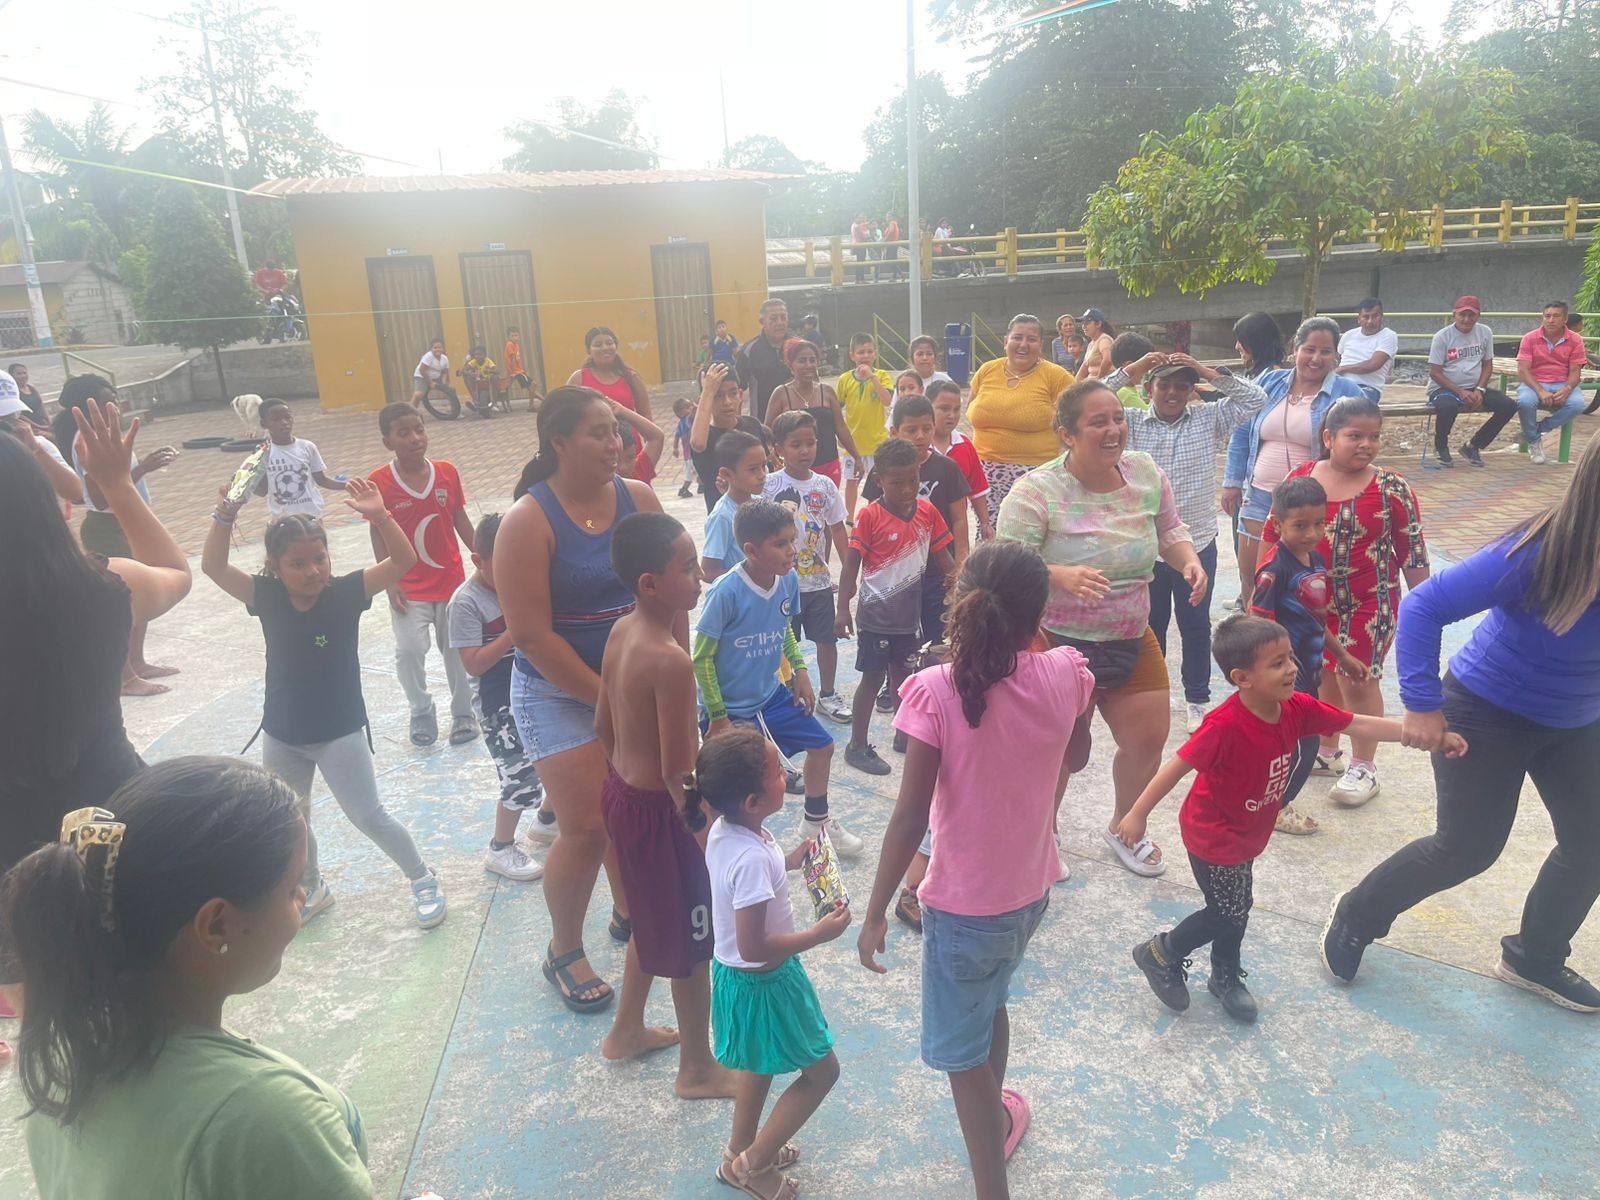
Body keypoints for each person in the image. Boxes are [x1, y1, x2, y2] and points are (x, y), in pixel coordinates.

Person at [6, 757, 376, 1199]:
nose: (302, 899)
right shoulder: (261, 1119)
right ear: (216, 924)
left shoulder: (61, 1053)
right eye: (292, 887)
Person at [1322, 434, 1600, 1012]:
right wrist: (1422, 703)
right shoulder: (1540, 550)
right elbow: (1424, 605)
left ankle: (1535, 957)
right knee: (1468, 847)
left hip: (1575, 718)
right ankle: (1357, 914)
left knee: (1592, 842)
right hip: (1488, 711)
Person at [857, 543, 1095, 1200]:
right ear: (1038, 616)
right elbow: (1077, 756)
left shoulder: (937, 689)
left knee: (962, 1058)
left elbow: (909, 818)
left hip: (964, 909)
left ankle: (992, 1185)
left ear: (960, 604)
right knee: (991, 1005)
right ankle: (996, 1119)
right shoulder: (1068, 672)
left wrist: (875, 913)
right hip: (1030, 892)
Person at [1120, 615, 1460, 1024]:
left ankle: (1224, 975)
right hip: (1214, 836)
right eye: (1277, 663)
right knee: (1227, 910)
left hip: (1248, 833)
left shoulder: (1296, 708)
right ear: (1242, 678)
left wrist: (1422, 735)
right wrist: (1137, 813)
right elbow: (1177, 766)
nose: (1291, 669)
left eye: (1290, 658)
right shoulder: (1224, 725)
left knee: (1237, 906)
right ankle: (1161, 952)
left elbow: (1356, 723)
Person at [496, 387, 670, 1018]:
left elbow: (668, 594)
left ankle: (627, 908)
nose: (614, 443)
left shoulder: (639, 500)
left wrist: (667, 678)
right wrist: (610, 700)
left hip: (631, 685)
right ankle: (563, 948)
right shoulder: (528, 521)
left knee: (638, 806)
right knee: (589, 826)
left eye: (615, 431)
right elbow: (532, 637)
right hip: (556, 693)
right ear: (559, 444)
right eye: (598, 433)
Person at [204, 476, 445, 928]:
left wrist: (381, 516)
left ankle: (421, 877)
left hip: (339, 732)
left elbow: (404, 560)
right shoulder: (265, 595)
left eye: (320, 558)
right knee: (292, 820)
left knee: (367, 814)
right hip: (283, 733)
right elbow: (213, 567)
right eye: (297, 563)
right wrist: (225, 515)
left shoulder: (346, 592)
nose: (313, 570)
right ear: (275, 567)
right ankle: (313, 888)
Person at [0, 395, 191, 956]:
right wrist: (117, 484)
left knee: (28, 977)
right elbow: (176, 572)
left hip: (11, 857)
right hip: (114, 820)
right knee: (129, 961)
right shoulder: (105, 587)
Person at [998, 380, 1206, 879]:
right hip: (1054, 639)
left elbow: (1169, 529)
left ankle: (1124, 827)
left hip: (1131, 631)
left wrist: (1188, 559)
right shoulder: (1036, 491)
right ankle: (1041, 836)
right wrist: (1059, 575)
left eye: (1118, 418)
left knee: (1148, 739)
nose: (1113, 430)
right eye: (1098, 422)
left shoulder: (1145, 473)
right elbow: (1005, 562)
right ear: (1067, 434)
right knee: (1055, 751)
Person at [596, 512, 739, 1097]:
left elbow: (602, 726)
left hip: (621, 796)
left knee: (651, 917)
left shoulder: (621, 631)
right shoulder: (671, 660)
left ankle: (626, 1030)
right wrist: (710, 839)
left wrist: (625, 784)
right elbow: (678, 774)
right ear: (650, 583)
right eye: (687, 568)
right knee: (691, 944)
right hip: (661, 815)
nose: (699, 576)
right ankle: (697, 1069)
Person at [690, 728, 845, 1200]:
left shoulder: (726, 830)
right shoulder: (751, 859)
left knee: (759, 1064)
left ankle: (738, 1149)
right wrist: (818, 935)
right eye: (779, 772)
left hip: (738, 980)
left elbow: (749, 877)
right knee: (823, 1073)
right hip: (767, 981)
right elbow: (755, 945)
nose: (788, 776)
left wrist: (792, 860)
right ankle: (752, 1165)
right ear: (753, 801)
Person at [1261, 395, 1429, 807]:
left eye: (1374, 437)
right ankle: (1328, 749)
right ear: (1328, 438)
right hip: (1311, 605)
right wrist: (1264, 591)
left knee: (1358, 679)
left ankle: (1364, 766)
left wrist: (1426, 607)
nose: (1366, 445)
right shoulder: (1301, 478)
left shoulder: (1392, 488)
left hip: (1370, 603)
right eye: (1355, 436)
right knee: (1321, 674)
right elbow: (1271, 535)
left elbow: (1412, 552)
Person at [1102, 352, 1267, 731]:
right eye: (1164, 385)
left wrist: (1204, 370)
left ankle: (1197, 699)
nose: (1172, 393)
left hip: (1197, 542)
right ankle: (1152, 694)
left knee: (1195, 625)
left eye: (1181, 385)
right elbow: (1090, 395)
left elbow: (1256, 399)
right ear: (1149, 388)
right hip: (1146, 545)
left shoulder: (1209, 419)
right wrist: (1136, 366)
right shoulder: (1130, 423)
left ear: (1193, 390)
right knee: (1150, 625)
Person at [694, 499, 856, 858]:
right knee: (730, 791)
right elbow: (701, 657)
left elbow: (783, 628)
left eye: (792, 540)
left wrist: (800, 670)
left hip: (770, 697)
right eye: (780, 543)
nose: (792, 550)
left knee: (823, 746)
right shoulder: (725, 591)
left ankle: (815, 822)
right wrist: (718, 716)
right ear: (751, 550)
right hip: (729, 709)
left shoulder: (788, 580)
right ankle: (714, 851)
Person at [1249, 477, 1368, 836]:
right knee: (1306, 743)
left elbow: (1315, 619)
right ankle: (1276, 808)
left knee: (1291, 744)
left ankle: (1265, 801)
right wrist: (1273, 672)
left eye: (1319, 523)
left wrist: (1342, 656)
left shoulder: (1314, 559)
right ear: (1278, 524)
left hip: (1310, 668)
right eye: (1300, 525)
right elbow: (1258, 625)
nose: (1312, 533)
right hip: (1286, 676)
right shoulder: (1275, 570)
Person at [1223, 316, 1365, 609]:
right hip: (1259, 495)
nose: (1316, 358)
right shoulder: (1269, 382)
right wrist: (1232, 483)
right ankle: (1256, 631)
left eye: (1325, 351)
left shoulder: (1348, 393)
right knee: (1252, 575)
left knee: (1306, 578)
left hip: (1311, 502)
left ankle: (1301, 631)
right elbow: (1241, 433)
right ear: (1295, 349)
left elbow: (1361, 444)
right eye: (1309, 349)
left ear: (1336, 355)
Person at [52, 374, 180, 696]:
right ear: (89, 407)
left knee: (141, 595)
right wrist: (143, 468)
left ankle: (137, 662)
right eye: (108, 400)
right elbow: (98, 498)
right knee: (122, 604)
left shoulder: (105, 436)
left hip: (124, 523)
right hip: (108, 527)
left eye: (115, 398)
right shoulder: (87, 441)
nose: (117, 405)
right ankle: (124, 677)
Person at [838, 437, 956, 776]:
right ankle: (857, 745)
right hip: (876, 617)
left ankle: (905, 735)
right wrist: (842, 609)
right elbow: (851, 563)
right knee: (873, 677)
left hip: (909, 618)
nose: (906, 489)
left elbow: (945, 560)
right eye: (897, 482)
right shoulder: (869, 516)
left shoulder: (928, 512)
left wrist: (961, 592)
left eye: (913, 480)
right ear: (879, 481)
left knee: (905, 677)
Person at [447, 512, 552, 882]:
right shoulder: (466, 602)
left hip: (535, 686)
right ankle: (500, 848)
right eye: (504, 562)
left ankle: (548, 820)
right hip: (498, 703)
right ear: (478, 560)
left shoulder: (524, 582)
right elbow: (473, 664)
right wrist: (515, 629)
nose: (514, 570)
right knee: (519, 776)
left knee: (557, 757)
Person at [368, 403, 478, 748]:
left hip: (451, 582)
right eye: (404, 433)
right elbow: (377, 533)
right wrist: (389, 581)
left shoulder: (446, 472)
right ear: (388, 442)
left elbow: (460, 520)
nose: (415, 438)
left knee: (456, 652)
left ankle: (463, 713)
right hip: (409, 588)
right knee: (409, 651)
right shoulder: (379, 482)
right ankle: (421, 710)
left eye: (419, 429)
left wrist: (485, 559)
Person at [763, 411, 852, 724]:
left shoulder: (825, 485)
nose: (804, 450)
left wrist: (848, 572)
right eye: (795, 445)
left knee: (827, 639)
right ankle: (786, 694)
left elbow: (837, 529)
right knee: (781, 644)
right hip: (780, 585)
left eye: (810, 443)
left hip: (817, 583)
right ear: (779, 449)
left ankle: (828, 694)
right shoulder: (768, 485)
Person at [966, 314, 1075, 526]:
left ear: (1040, 345)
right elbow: (970, 407)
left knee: (1027, 536)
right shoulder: (987, 370)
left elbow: (1078, 417)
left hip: (1035, 476)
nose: (1023, 344)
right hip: (983, 475)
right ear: (1006, 341)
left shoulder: (1057, 376)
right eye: (1017, 337)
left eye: (1031, 339)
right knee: (988, 535)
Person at [1425, 296, 1519, 468]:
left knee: (1508, 405)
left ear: (1478, 316)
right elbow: (1435, 372)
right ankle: (1440, 446)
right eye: (1462, 315)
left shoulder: (1485, 332)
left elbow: (1487, 365)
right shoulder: (1442, 337)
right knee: (1448, 407)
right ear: (1454, 315)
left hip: (1474, 387)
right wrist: (1460, 392)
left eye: (1471, 315)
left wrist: (1480, 389)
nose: (1466, 319)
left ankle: (1473, 446)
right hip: (1443, 387)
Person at [762, 337, 861, 487]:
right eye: (802, 360)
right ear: (791, 364)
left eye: (812, 360)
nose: (808, 365)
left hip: (829, 465)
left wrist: (857, 457)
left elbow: (840, 427)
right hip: (794, 469)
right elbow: (767, 432)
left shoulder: (827, 392)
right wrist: (773, 459)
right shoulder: (781, 394)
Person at [566, 325, 655, 478]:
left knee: (634, 489)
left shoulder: (631, 377)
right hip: (596, 450)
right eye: (598, 344)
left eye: (609, 343)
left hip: (630, 450)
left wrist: (647, 457)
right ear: (588, 350)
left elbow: (647, 421)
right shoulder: (578, 379)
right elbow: (566, 418)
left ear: (616, 346)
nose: (605, 348)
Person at [690, 362, 773, 514]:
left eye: (733, 393)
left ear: (740, 395)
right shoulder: (703, 436)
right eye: (718, 396)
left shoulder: (752, 425)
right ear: (704, 400)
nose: (727, 402)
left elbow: (767, 467)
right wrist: (708, 391)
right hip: (726, 519)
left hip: (760, 513)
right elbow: (697, 444)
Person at [1515, 300, 1588, 465]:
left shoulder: (1575, 339)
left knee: (1577, 404)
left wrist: (1568, 389)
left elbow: (1575, 371)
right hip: (1534, 382)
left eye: (1556, 316)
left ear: (1565, 319)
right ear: (1542, 317)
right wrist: (1541, 391)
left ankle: (1535, 432)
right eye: (1547, 316)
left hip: (1562, 382)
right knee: (1525, 402)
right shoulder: (1529, 338)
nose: (1551, 320)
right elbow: (1523, 370)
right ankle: (1534, 441)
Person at [836, 332, 895, 518]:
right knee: (851, 482)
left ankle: (876, 517)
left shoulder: (882, 376)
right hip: (853, 445)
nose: (866, 356)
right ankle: (849, 519)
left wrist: (872, 378)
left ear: (875, 354)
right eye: (861, 352)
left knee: (878, 483)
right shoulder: (845, 379)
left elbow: (887, 401)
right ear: (852, 356)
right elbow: (836, 409)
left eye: (870, 351)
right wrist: (839, 436)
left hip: (877, 444)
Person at [253, 398, 344, 517]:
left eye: (287, 417)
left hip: (312, 515)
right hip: (283, 518)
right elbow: (262, 491)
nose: (284, 422)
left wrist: (348, 485)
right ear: (264, 424)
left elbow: (322, 480)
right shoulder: (262, 453)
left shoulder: (307, 447)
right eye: (276, 419)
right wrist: (244, 482)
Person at [928, 380, 991, 540]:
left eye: (956, 409)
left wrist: (985, 524)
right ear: (928, 407)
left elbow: (977, 489)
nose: (952, 415)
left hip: (955, 529)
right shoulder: (917, 446)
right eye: (944, 409)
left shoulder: (964, 445)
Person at [702, 430, 767, 582]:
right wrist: (752, 576)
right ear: (727, 474)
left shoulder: (761, 502)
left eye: (763, 466)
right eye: (753, 469)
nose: (762, 474)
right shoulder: (722, 516)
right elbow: (708, 572)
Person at [736, 300, 794, 426]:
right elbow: (737, 389)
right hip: (763, 423)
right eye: (773, 318)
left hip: (797, 422)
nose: (780, 322)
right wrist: (736, 425)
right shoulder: (749, 350)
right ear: (762, 322)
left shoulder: (798, 346)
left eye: (783, 317)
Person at [1335, 298, 1398, 401]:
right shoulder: (1348, 335)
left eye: (1375, 316)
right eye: (1366, 317)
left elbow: (1373, 365)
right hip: (1339, 384)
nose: (1370, 321)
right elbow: (1335, 360)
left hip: (1368, 388)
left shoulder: (1388, 336)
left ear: (1382, 317)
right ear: (1359, 319)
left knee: (1346, 405)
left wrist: (1342, 369)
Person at [1104, 332, 1154, 409]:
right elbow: (1148, 414)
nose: (1147, 372)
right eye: (1146, 367)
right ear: (1130, 366)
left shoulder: (1127, 389)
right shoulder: (1126, 394)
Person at [411, 338, 458, 409]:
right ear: (431, 349)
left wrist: (444, 383)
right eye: (435, 348)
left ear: (443, 349)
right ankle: (410, 411)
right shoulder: (428, 356)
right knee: (419, 394)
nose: (437, 349)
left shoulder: (444, 358)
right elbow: (422, 370)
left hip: (436, 376)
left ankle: (454, 410)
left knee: (451, 389)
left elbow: (445, 372)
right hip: (422, 376)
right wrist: (430, 383)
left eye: (439, 347)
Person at [460, 344, 502, 414]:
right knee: (467, 377)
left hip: (488, 381)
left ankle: (494, 402)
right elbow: (464, 370)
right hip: (478, 381)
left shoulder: (488, 361)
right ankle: (475, 400)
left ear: (484, 355)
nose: (477, 356)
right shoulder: (473, 361)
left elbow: (497, 371)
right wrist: (470, 374)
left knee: (495, 377)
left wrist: (489, 371)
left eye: (480, 354)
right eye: (476, 355)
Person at [503, 326, 538, 410]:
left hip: (519, 371)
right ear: (508, 337)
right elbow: (512, 359)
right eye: (512, 336)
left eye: (516, 335)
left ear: (519, 336)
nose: (514, 337)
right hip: (516, 372)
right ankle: (532, 406)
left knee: (532, 386)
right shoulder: (510, 344)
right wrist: (512, 373)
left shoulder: (516, 345)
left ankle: (538, 403)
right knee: (532, 385)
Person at [1076, 308, 1115, 379]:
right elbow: (1084, 367)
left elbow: (1107, 360)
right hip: (1091, 382)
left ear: (1098, 324)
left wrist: (1098, 380)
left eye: (1087, 323)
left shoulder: (1104, 339)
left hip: (1103, 383)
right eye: (1083, 323)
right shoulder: (1091, 344)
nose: (1083, 326)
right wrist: (1074, 383)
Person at [8, 361, 46, 427]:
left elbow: (41, 407)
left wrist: (50, 423)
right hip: (27, 427)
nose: (23, 376)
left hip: (41, 423)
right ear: (12, 376)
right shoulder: (12, 393)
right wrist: (39, 427)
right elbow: (19, 416)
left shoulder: (32, 388)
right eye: (19, 374)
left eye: (24, 373)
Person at [672, 396, 697, 498]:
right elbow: (694, 414)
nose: (691, 408)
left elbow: (676, 435)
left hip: (690, 454)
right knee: (689, 474)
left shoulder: (681, 423)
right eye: (687, 407)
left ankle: (701, 486)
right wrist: (696, 407)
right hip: (691, 454)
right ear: (681, 413)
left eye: (690, 405)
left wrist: (675, 448)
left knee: (698, 470)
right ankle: (684, 489)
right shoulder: (688, 420)